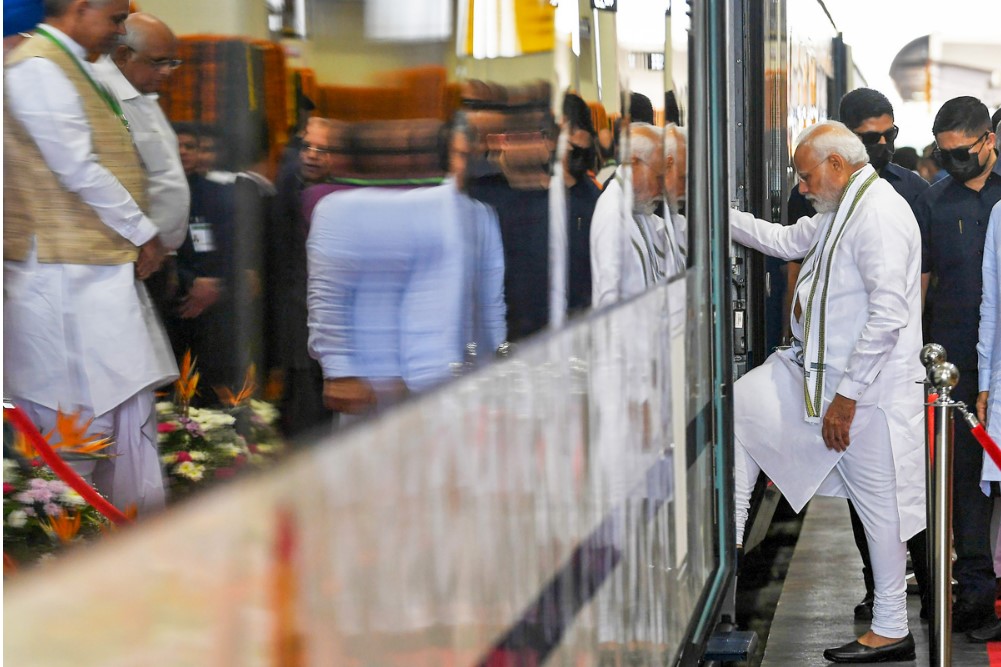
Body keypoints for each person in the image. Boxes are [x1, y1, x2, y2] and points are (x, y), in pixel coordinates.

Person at [732, 121, 924, 663]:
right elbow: (784, 239)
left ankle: (891, 627)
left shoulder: (878, 215)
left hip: (864, 395)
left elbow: (888, 315)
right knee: (742, 412)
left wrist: (848, 395)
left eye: (806, 173)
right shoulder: (843, 209)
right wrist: (713, 216)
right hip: (825, 381)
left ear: (837, 165)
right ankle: (724, 558)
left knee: (880, 509)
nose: (801, 185)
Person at [3, 0, 176, 514]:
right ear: (79, 8)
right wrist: (144, 232)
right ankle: (66, 540)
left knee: (119, 407)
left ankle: (120, 538)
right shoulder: (36, 66)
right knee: (73, 420)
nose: (121, 30)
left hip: (90, 268)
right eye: (116, 18)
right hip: (58, 271)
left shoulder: (73, 62)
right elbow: (76, 168)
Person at [918, 95, 1001, 640]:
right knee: (967, 485)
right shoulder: (933, 202)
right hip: (954, 366)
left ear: (987, 140)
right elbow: (920, 283)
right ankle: (974, 593)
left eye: (962, 152)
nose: (954, 163)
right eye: (945, 154)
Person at [93, 12, 188, 321]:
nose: (167, 72)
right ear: (123, 55)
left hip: (158, 255)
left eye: (172, 63)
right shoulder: (104, 96)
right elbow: (107, 179)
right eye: (159, 62)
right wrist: (143, 238)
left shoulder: (145, 96)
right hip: (132, 255)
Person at [272, 118, 346, 437]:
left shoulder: (354, 197)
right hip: (296, 315)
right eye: (307, 147)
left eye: (323, 150)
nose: (312, 155)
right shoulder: (285, 186)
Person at [167, 122, 238, 400]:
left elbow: (236, 246)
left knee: (211, 387)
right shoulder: (148, 192)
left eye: (191, 146)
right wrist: (190, 282)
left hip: (216, 306)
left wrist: (216, 286)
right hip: (169, 303)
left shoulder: (222, 194)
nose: (183, 152)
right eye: (177, 145)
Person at [590, 123, 681, 308]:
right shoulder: (612, 218)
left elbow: (679, 229)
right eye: (658, 178)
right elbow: (611, 308)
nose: (662, 188)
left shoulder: (637, 206)